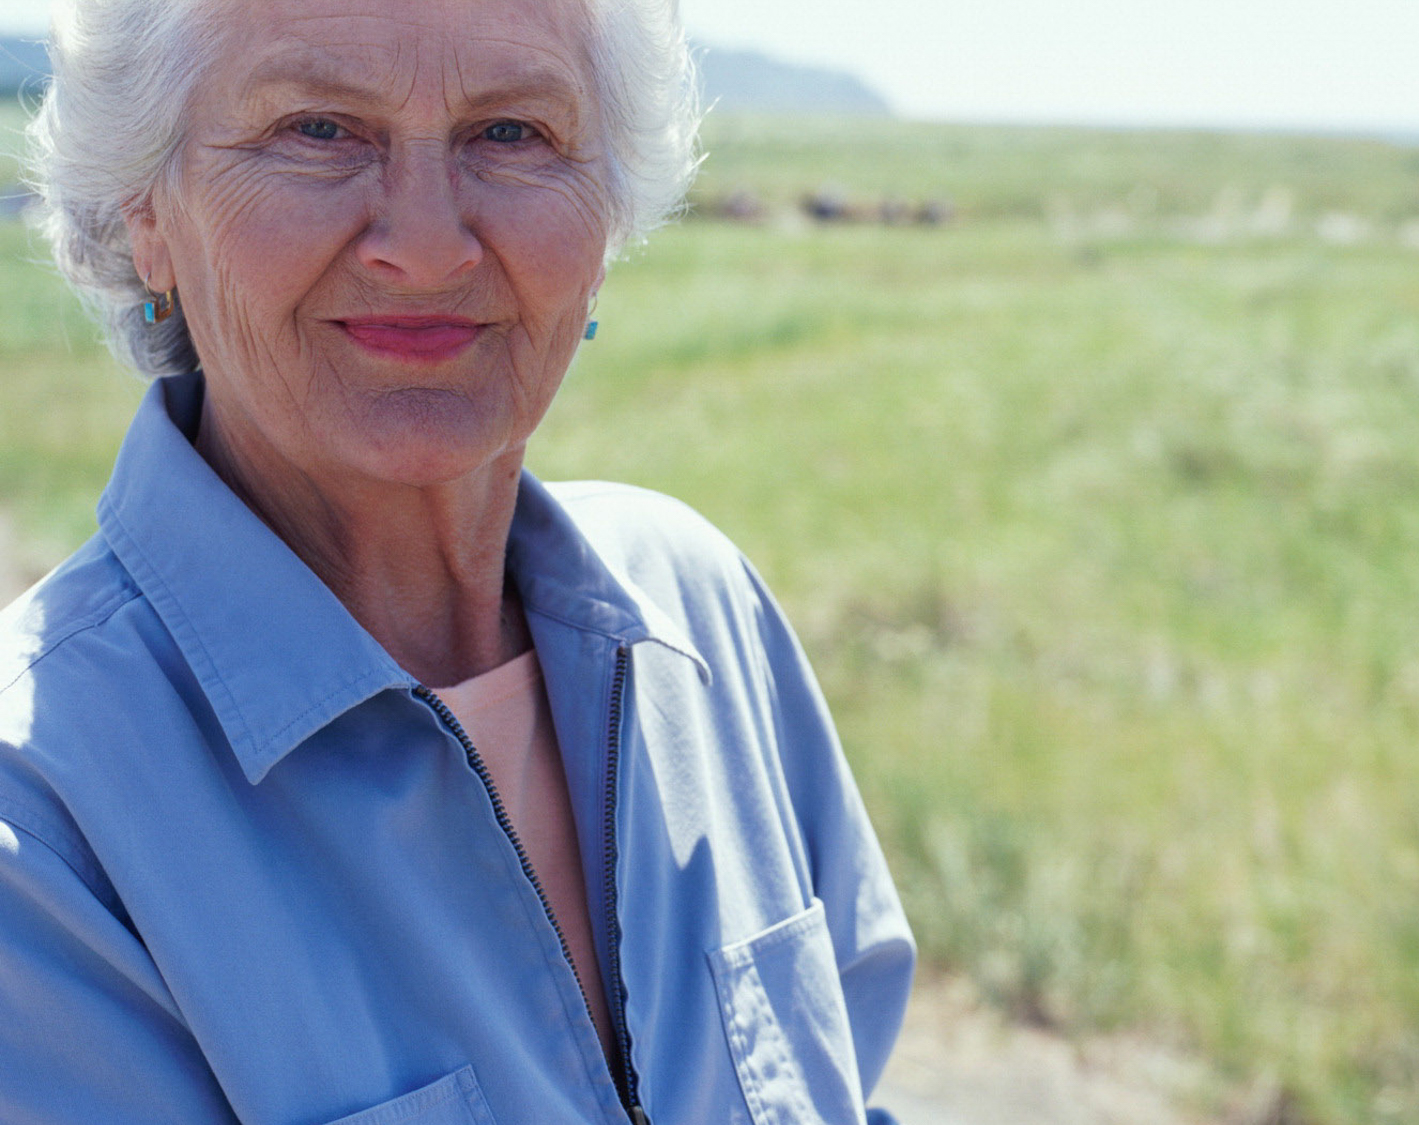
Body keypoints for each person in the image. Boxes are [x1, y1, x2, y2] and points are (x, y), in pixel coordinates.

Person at [0, 0, 915, 1121]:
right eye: (319, 131)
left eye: (512, 134)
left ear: (609, 209)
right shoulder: (40, 822)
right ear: (144, 211)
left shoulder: (698, 613)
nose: (426, 245)